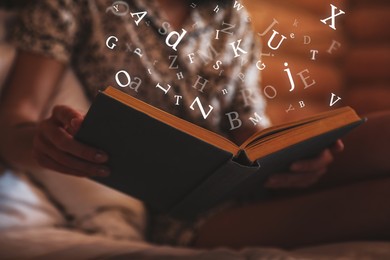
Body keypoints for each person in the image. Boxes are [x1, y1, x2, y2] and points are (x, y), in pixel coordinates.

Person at [0, 0, 389, 249]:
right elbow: (15, 123)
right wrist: (43, 143)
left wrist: (295, 154)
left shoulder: (231, 16)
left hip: (247, 177)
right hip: (176, 212)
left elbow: (247, 121)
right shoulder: (73, 5)